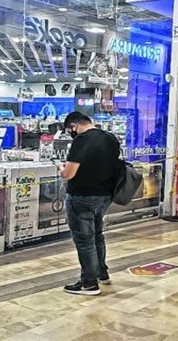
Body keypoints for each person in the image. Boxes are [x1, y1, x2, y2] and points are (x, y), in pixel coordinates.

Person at [58, 111, 120, 296]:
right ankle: (102, 273)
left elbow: (69, 173)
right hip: (104, 195)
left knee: (84, 241)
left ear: (74, 126)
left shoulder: (81, 140)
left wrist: (60, 167)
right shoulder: (110, 138)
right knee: (97, 235)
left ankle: (89, 284)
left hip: (82, 196)